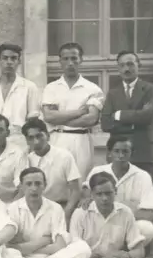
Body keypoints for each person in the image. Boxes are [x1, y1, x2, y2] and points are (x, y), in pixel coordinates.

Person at [2, 168, 91, 258]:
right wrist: (43, 241)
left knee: (83, 247)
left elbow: (59, 246)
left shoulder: (55, 208)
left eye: (38, 183)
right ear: (21, 186)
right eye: (29, 184)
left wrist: (26, 247)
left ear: (45, 185)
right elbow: (10, 246)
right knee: (5, 253)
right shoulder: (12, 209)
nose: (34, 188)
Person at [71, 172, 153, 258]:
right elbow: (74, 250)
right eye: (99, 194)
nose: (104, 198)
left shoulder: (125, 212)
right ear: (92, 194)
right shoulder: (80, 213)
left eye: (108, 193)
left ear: (115, 191)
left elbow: (139, 250)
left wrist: (123, 257)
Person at [41, 43, 105, 181]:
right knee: (56, 179)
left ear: (80, 60)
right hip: (57, 138)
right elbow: (49, 116)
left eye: (74, 58)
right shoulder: (51, 88)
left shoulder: (92, 89)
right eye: (66, 59)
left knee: (80, 181)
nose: (70, 63)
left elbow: (90, 119)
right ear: (60, 61)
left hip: (82, 140)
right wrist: (79, 112)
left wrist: (60, 117)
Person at [83, 136, 153, 246]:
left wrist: (121, 216)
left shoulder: (142, 176)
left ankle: (126, 250)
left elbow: (149, 213)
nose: (121, 155)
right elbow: (86, 194)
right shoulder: (98, 170)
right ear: (109, 152)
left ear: (132, 153)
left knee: (147, 228)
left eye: (125, 151)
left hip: (127, 224)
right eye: (116, 151)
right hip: (101, 222)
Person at [101, 51, 153, 186]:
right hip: (118, 154)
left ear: (139, 65)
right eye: (122, 65)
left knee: (146, 195)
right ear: (118, 69)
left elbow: (149, 116)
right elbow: (105, 123)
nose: (126, 69)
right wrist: (136, 119)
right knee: (117, 195)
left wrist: (119, 115)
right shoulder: (113, 93)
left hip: (144, 152)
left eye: (130, 64)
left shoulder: (152, 90)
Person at [0, 43, 40, 150]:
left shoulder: (29, 87)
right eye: (5, 58)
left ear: (19, 61)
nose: (9, 62)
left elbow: (32, 120)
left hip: (19, 140)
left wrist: (31, 147)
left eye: (13, 58)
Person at [22, 117, 81, 223]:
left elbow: (75, 190)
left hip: (61, 206)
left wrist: (66, 214)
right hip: (35, 209)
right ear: (27, 141)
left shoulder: (64, 156)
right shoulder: (26, 159)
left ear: (48, 136)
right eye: (31, 138)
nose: (36, 141)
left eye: (39, 136)